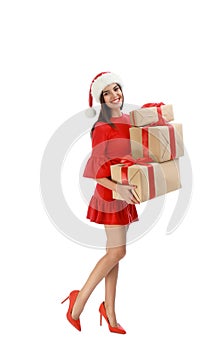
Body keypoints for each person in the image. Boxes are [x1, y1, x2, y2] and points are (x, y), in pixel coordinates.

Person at [61, 72, 139, 334]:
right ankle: (77, 302)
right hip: (110, 196)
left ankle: (110, 312)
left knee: (113, 256)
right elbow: (96, 172)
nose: (114, 94)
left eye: (116, 88)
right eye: (107, 92)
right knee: (117, 253)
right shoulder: (103, 128)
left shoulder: (129, 120)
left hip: (125, 193)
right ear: (101, 100)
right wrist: (117, 187)